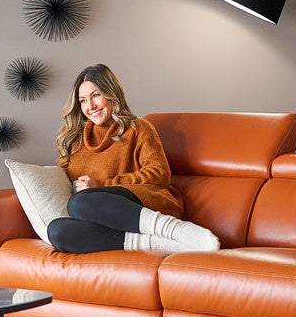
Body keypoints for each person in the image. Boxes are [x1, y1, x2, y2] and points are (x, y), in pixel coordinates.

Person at [45, 64, 220, 254]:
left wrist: (101, 184)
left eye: (96, 95)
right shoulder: (76, 142)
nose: (90, 106)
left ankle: (172, 228)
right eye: (83, 100)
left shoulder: (139, 128)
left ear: (111, 93)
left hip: (147, 202)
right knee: (57, 231)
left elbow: (159, 174)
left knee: (79, 202)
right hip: (106, 219)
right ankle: (161, 244)